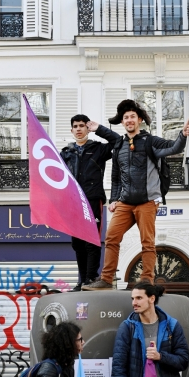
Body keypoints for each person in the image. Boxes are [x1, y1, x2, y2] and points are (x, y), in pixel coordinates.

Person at [82, 99, 189, 290]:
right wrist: (113, 199)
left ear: (139, 119)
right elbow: (116, 176)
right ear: (122, 122)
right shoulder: (119, 145)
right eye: (126, 117)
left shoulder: (150, 141)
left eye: (132, 116)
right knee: (111, 238)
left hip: (147, 202)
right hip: (125, 202)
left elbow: (174, 147)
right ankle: (106, 280)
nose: (129, 120)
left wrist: (183, 135)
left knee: (147, 242)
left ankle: (146, 280)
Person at [60, 115, 120, 290]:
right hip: (73, 202)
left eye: (82, 126)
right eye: (75, 126)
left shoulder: (98, 149)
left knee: (91, 240)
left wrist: (99, 129)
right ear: (71, 130)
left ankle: (91, 278)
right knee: (77, 243)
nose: (78, 129)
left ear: (87, 129)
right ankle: (82, 280)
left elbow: (118, 141)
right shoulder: (65, 153)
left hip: (92, 199)